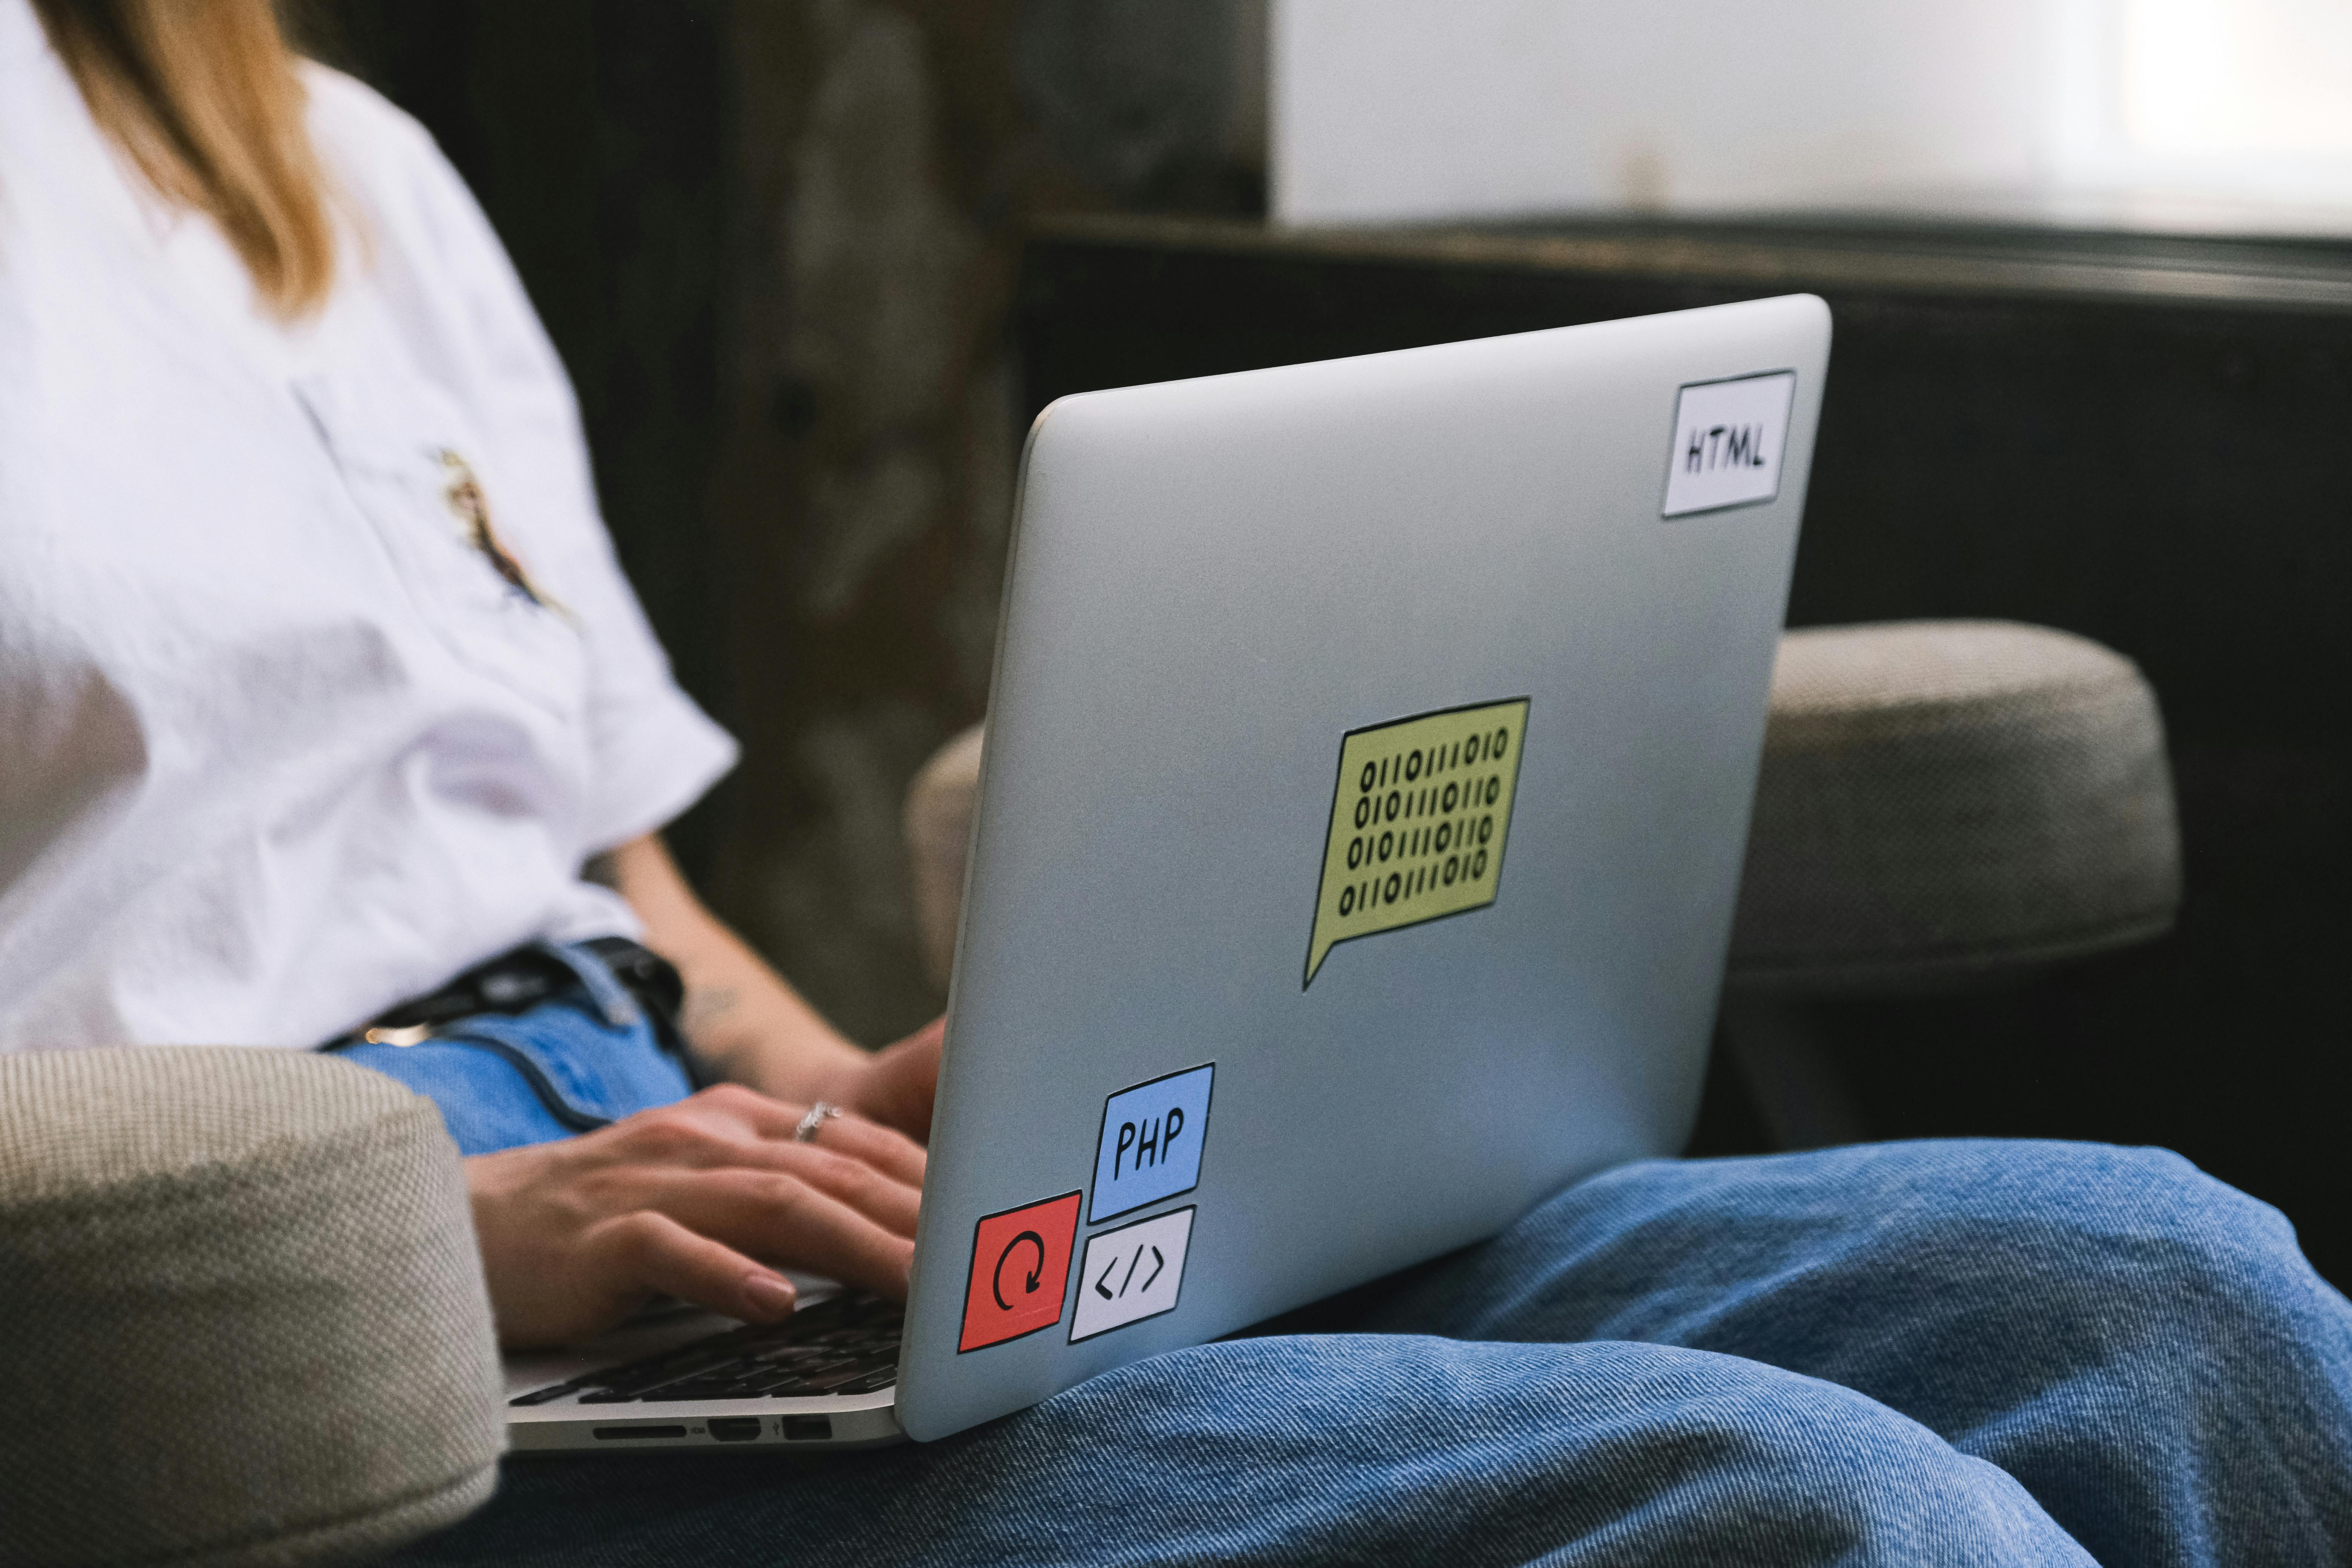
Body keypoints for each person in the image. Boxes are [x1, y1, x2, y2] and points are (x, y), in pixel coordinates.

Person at [1, 5, 2344, 1565]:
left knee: (2165, 1284)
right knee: (1799, 1506)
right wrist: (446, 1223)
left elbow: (617, 873)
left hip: (696, 1203)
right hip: (281, 1321)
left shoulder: (327, 165)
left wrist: (876, 1104)